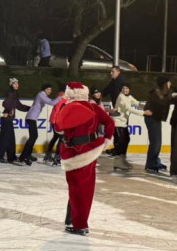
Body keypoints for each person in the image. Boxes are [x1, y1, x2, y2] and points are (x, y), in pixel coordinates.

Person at [53, 83, 115, 235]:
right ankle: (74, 220)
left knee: (76, 190)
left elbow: (59, 129)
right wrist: (107, 140)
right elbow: (110, 122)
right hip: (91, 151)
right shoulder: (93, 107)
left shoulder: (68, 108)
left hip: (74, 153)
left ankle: (78, 224)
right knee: (86, 190)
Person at [0, 77, 30, 164]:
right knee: (5, 139)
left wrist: (29, 108)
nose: (17, 85)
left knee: (11, 139)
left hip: (8, 119)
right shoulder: (11, 93)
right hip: (6, 118)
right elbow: (5, 103)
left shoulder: (14, 94)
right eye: (14, 83)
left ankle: (11, 157)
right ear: (11, 85)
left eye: (17, 83)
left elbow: (19, 106)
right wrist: (10, 109)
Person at [21, 83, 57, 165]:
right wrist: (61, 97)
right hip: (31, 118)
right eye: (48, 89)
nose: (50, 91)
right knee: (33, 137)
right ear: (44, 90)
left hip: (32, 118)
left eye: (51, 89)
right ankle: (23, 156)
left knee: (34, 136)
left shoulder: (42, 95)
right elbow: (51, 103)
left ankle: (27, 155)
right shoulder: (41, 95)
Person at [144, 77, 172, 174]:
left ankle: (155, 161)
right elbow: (163, 101)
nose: (170, 84)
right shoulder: (155, 92)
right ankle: (150, 164)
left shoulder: (162, 93)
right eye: (168, 82)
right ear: (164, 84)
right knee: (155, 142)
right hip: (151, 118)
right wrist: (170, 95)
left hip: (156, 118)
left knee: (157, 142)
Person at [112, 84, 143, 171]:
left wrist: (148, 106)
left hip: (123, 123)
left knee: (126, 139)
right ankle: (117, 162)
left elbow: (137, 103)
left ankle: (122, 160)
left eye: (127, 88)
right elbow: (129, 108)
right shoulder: (121, 97)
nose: (125, 90)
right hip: (117, 123)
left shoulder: (129, 97)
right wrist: (144, 113)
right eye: (123, 88)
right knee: (121, 141)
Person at [103, 66, 125, 156]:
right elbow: (107, 90)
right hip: (116, 109)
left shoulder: (121, 82)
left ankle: (119, 149)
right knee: (116, 129)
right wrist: (98, 95)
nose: (110, 73)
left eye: (112, 71)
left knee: (120, 130)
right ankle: (117, 148)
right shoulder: (114, 81)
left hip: (121, 110)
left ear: (118, 72)